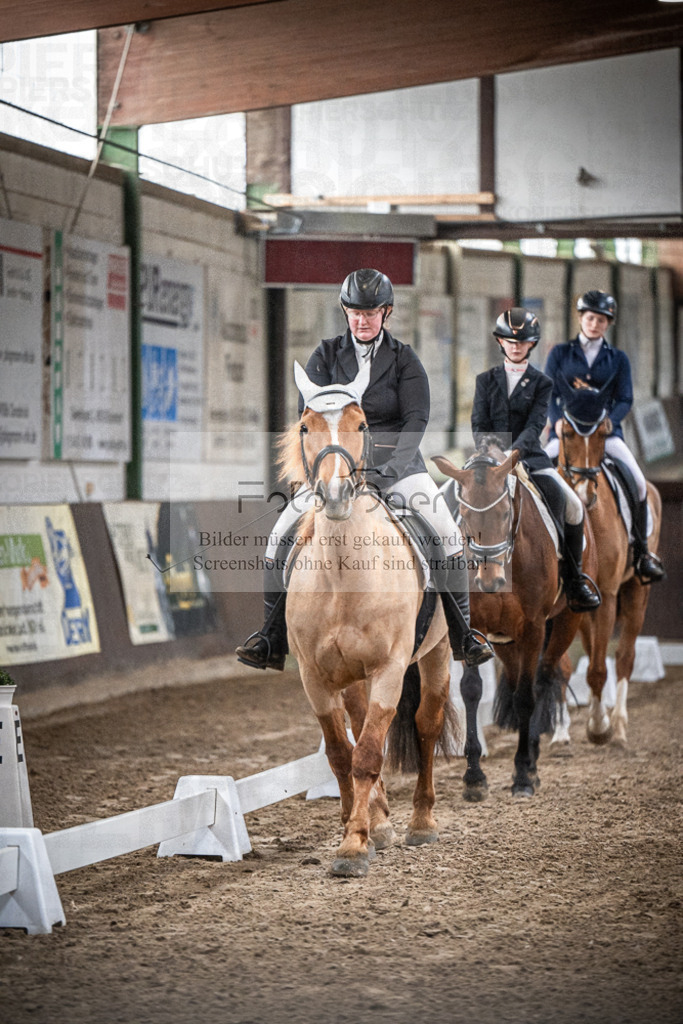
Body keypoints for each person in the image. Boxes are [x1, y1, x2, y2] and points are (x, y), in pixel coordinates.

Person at [236, 267, 495, 671]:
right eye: (355, 312)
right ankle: (270, 637)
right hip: (336, 471)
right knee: (279, 535)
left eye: (371, 312)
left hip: (400, 468)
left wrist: (389, 471)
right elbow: (312, 419)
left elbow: (417, 419)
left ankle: (463, 634)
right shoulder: (325, 356)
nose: (362, 319)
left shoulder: (404, 359)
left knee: (445, 533)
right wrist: (326, 470)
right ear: (345, 311)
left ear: (386, 313)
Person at [471, 307, 601, 613]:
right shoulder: (485, 380)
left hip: (530, 459)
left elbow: (534, 426)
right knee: (454, 499)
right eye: (509, 341)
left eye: (523, 341)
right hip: (489, 459)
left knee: (570, 504)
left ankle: (574, 578)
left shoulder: (542, 383)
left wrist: (512, 454)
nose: (516, 346)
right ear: (500, 342)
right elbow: (479, 423)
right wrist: (492, 451)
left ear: (532, 344)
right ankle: (449, 575)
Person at [544, 290, 664, 582]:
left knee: (637, 483)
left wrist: (611, 421)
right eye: (590, 318)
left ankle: (642, 551)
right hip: (568, 435)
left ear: (607, 324)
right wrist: (556, 421)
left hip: (604, 436)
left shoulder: (617, 359)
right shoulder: (560, 353)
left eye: (600, 320)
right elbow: (548, 393)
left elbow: (625, 398)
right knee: (532, 474)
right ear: (581, 319)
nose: (594, 324)